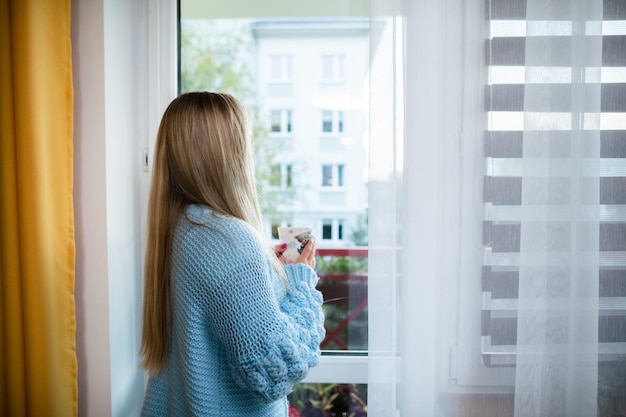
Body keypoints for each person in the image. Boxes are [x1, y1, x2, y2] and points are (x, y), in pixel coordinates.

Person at [139, 92, 325, 417]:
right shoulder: (227, 239)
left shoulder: (183, 226)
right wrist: (302, 284)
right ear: (230, 155)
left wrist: (272, 273)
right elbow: (275, 370)